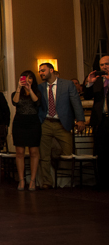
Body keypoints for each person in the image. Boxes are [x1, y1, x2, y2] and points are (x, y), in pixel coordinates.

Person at [37, 62, 85, 189]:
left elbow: (76, 102)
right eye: (40, 71)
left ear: (51, 70)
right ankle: (47, 182)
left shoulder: (67, 84)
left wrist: (80, 120)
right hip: (46, 122)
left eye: (43, 70)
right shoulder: (40, 87)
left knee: (67, 152)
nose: (41, 73)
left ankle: (67, 179)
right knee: (44, 155)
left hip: (62, 123)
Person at [11, 70, 42, 190]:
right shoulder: (16, 92)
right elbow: (15, 102)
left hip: (33, 123)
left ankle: (33, 180)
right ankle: (21, 180)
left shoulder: (37, 92)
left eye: (30, 78)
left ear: (33, 80)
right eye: (25, 78)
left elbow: (36, 102)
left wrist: (30, 90)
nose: (28, 80)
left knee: (34, 152)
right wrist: (19, 88)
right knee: (19, 152)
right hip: (19, 122)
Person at [84, 55, 109, 189]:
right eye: (102, 65)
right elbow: (87, 96)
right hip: (101, 120)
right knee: (101, 152)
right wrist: (90, 82)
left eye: (107, 64)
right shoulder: (98, 81)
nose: (104, 67)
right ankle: (103, 183)